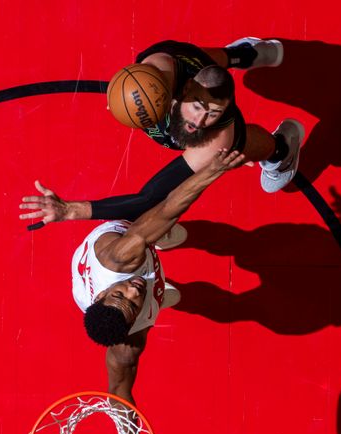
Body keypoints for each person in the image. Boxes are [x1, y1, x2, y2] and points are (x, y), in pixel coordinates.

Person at [19, 38, 304, 228]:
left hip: (222, 132)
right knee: (204, 60)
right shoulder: (158, 73)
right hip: (183, 57)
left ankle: (281, 149)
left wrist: (71, 210)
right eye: (198, 107)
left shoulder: (214, 138)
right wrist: (122, 99)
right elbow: (134, 84)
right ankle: (241, 55)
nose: (200, 121)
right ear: (182, 92)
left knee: (241, 146)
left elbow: (149, 198)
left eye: (212, 114)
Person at [72, 149, 244, 414]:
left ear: (100, 295)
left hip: (128, 231)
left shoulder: (121, 259)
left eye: (119, 294)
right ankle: (162, 289)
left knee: (163, 225)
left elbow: (169, 207)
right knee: (166, 297)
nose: (133, 290)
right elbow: (118, 392)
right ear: (131, 327)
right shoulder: (127, 342)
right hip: (143, 280)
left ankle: (157, 237)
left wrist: (213, 170)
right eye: (133, 305)